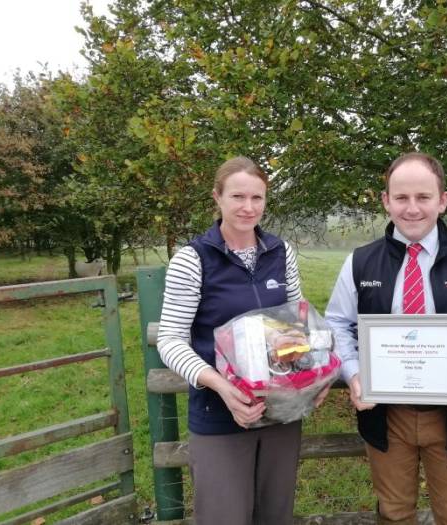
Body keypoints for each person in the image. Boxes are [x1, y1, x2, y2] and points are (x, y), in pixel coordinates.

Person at [325, 152, 447, 525]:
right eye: (401, 198)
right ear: (386, 200)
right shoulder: (360, 262)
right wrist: (354, 374)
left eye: (423, 197)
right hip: (387, 417)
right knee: (394, 514)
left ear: (443, 200)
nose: (412, 208)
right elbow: (336, 324)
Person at [157, 156, 324, 525]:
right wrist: (221, 386)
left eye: (257, 198)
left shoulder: (281, 253)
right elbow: (170, 339)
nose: (248, 208)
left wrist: (313, 380)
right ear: (217, 197)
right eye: (237, 197)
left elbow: (297, 324)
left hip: (281, 411)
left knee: (275, 515)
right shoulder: (192, 260)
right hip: (220, 415)